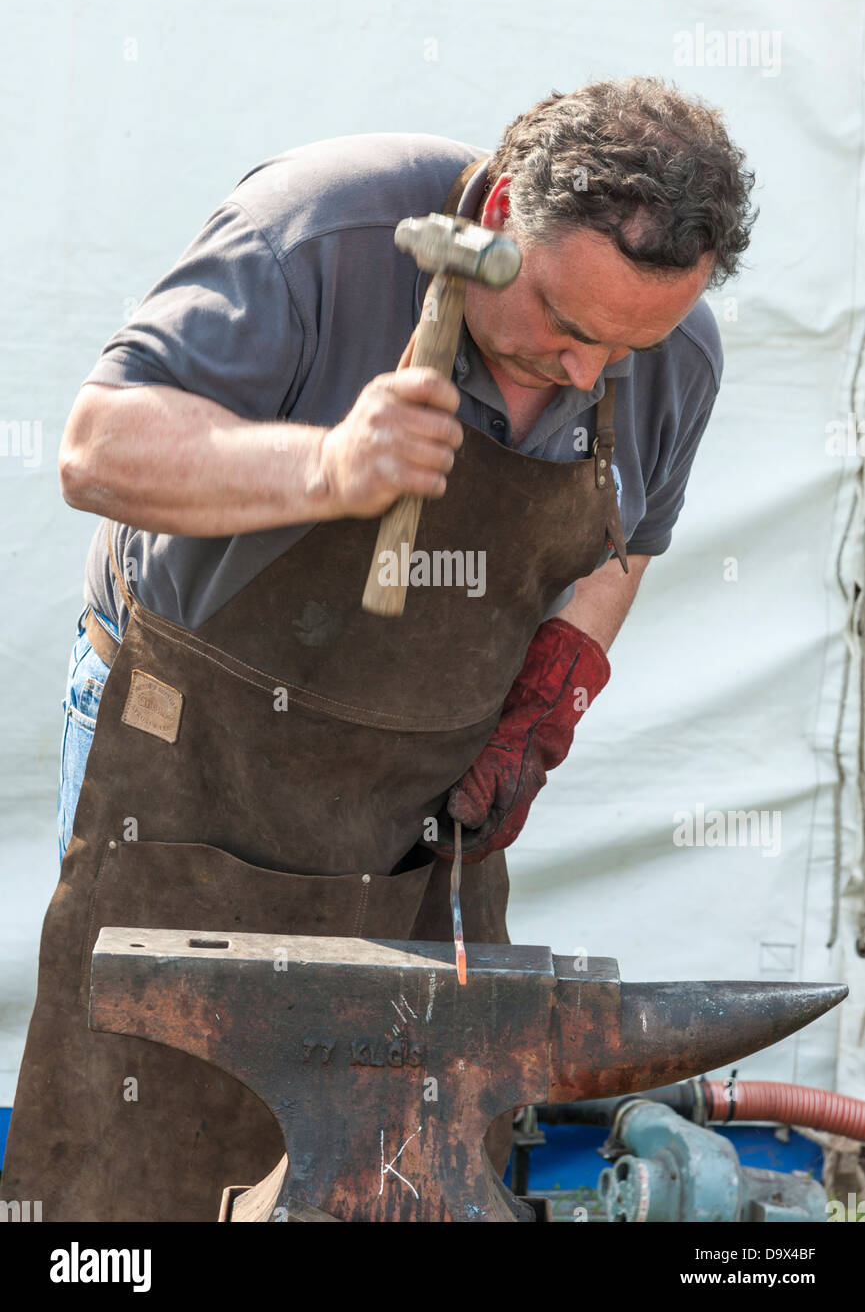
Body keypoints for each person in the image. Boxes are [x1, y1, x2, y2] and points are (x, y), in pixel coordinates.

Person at [1, 76, 755, 1222]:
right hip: (194, 758)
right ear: (500, 214)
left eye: (628, 346)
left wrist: (552, 692)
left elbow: (623, 542)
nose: (592, 372)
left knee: (401, 1154)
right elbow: (98, 448)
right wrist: (325, 467)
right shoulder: (321, 233)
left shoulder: (673, 353)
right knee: (140, 1146)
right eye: (567, 325)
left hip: (418, 801)